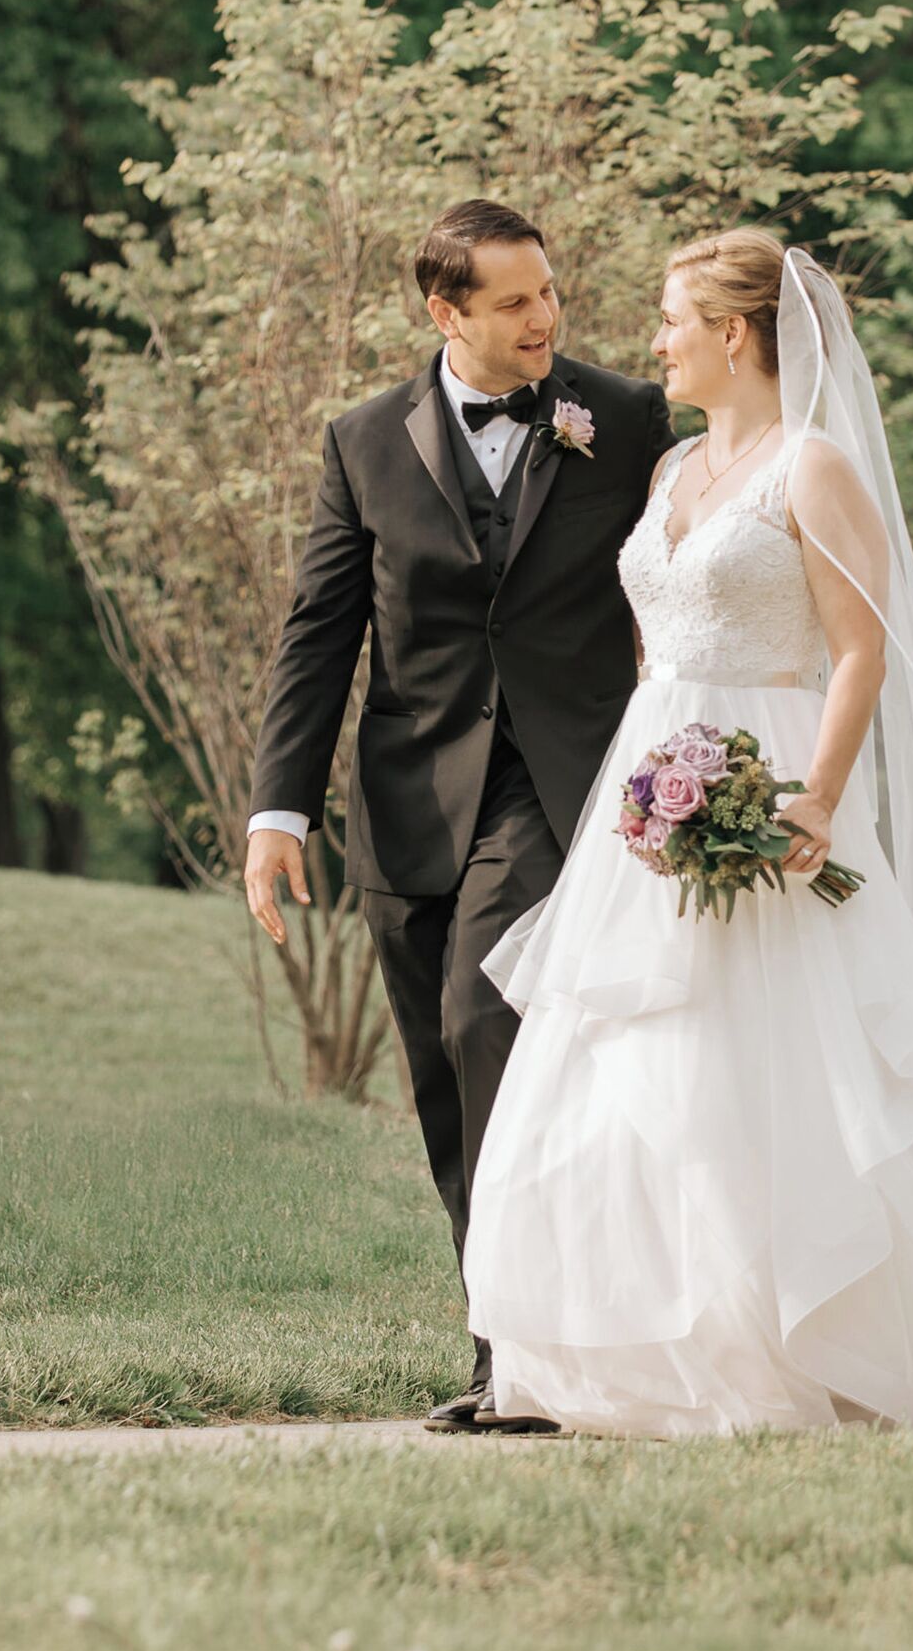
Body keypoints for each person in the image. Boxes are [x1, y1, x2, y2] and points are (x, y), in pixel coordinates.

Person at [460, 230, 913, 1437]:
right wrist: (653, 783)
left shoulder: (812, 467)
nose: (655, 341)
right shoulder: (671, 472)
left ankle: (798, 1347)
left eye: (672, 320)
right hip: (652, 786)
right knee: (640, 1066)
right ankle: (653, 1358)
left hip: (770, 779)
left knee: (769, 1063)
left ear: (733, 334)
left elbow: (863, 649)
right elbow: (658, 641)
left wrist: (813, 795)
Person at [243, 198, 677, 1435]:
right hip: (408, 803)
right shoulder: (363, 442)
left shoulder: (626, 420)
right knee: (442, 1081)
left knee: (486, 1019)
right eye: (515, 302)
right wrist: (279, 808)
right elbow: (321, 632)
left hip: (560, 789)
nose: (546, 317)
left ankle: (531, 1361)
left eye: (550, 291)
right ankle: (502, 1352)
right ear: (447, 312)